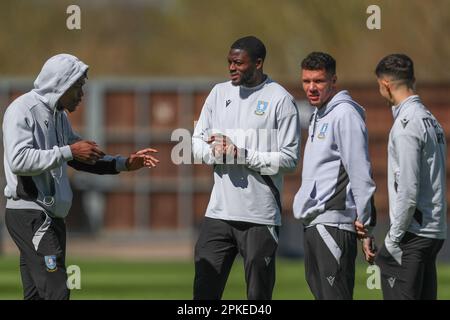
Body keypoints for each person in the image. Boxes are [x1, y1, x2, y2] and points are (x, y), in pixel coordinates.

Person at [2, 53, 159, 300]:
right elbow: (19, 161)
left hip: (50, 217)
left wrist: (124, 163)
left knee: (36, 296)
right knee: (57, 292)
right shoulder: (22, 109)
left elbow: (80, 156)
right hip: (31, 214)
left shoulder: (58, 116)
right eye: (78, 86)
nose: (82, 94)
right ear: (60, 84)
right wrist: (68, 151)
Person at [192, 36, 300, 300]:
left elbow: (289, 159)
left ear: (259, 63)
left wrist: (241, 154)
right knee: (203, 294)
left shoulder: (280, 100)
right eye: (229, 62)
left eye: (238, 63)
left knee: (257, 296)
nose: (231, 68)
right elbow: (196, 141)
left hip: (259, 216)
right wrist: (213, 153)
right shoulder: (219, 93)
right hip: (218, 213)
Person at [292, 52, 377, 300]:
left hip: (334, 223)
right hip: (315, 222)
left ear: (333, 81)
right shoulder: (320, 113)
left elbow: (361, 172)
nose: (311, 88)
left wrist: (367, 226)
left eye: (318, 81)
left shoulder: (345, 114)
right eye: (306, 81)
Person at [374, 54, 447, 300]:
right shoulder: (430, 119)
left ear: (385, 85)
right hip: (433, 231)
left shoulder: (406, 125)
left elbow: (408, 188)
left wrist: (393, 240)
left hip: (412, 234)